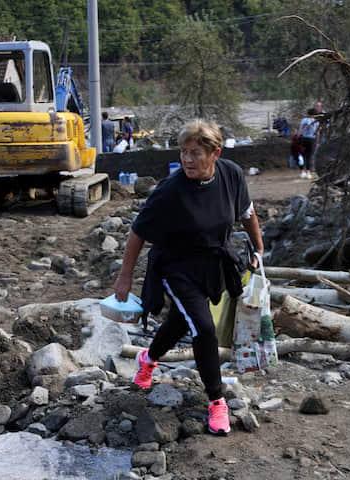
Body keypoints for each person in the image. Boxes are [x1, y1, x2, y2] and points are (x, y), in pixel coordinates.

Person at [113, 119, 264, 436]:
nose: (187, 160)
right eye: (183, 152)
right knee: (204, 328)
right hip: (176, 267)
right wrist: (124, 278)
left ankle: (148, 359)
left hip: (213, 264)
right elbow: (138, 232)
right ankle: (216, 401)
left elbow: (247, 212)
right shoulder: (171, 191)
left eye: (195, 153)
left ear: (215, 153)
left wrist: (259, 248)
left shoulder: (231, 175)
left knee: (183, 321)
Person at [297, 108, 319, 179]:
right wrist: (317, 141)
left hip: (304, 139)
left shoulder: (304, 120)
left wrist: (298, 137)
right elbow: (318, 131)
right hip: (312, 139)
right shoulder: (317, 121)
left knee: (301, 155)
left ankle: (302, 171)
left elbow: (300, 129)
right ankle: (308, 172)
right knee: (309, 156)